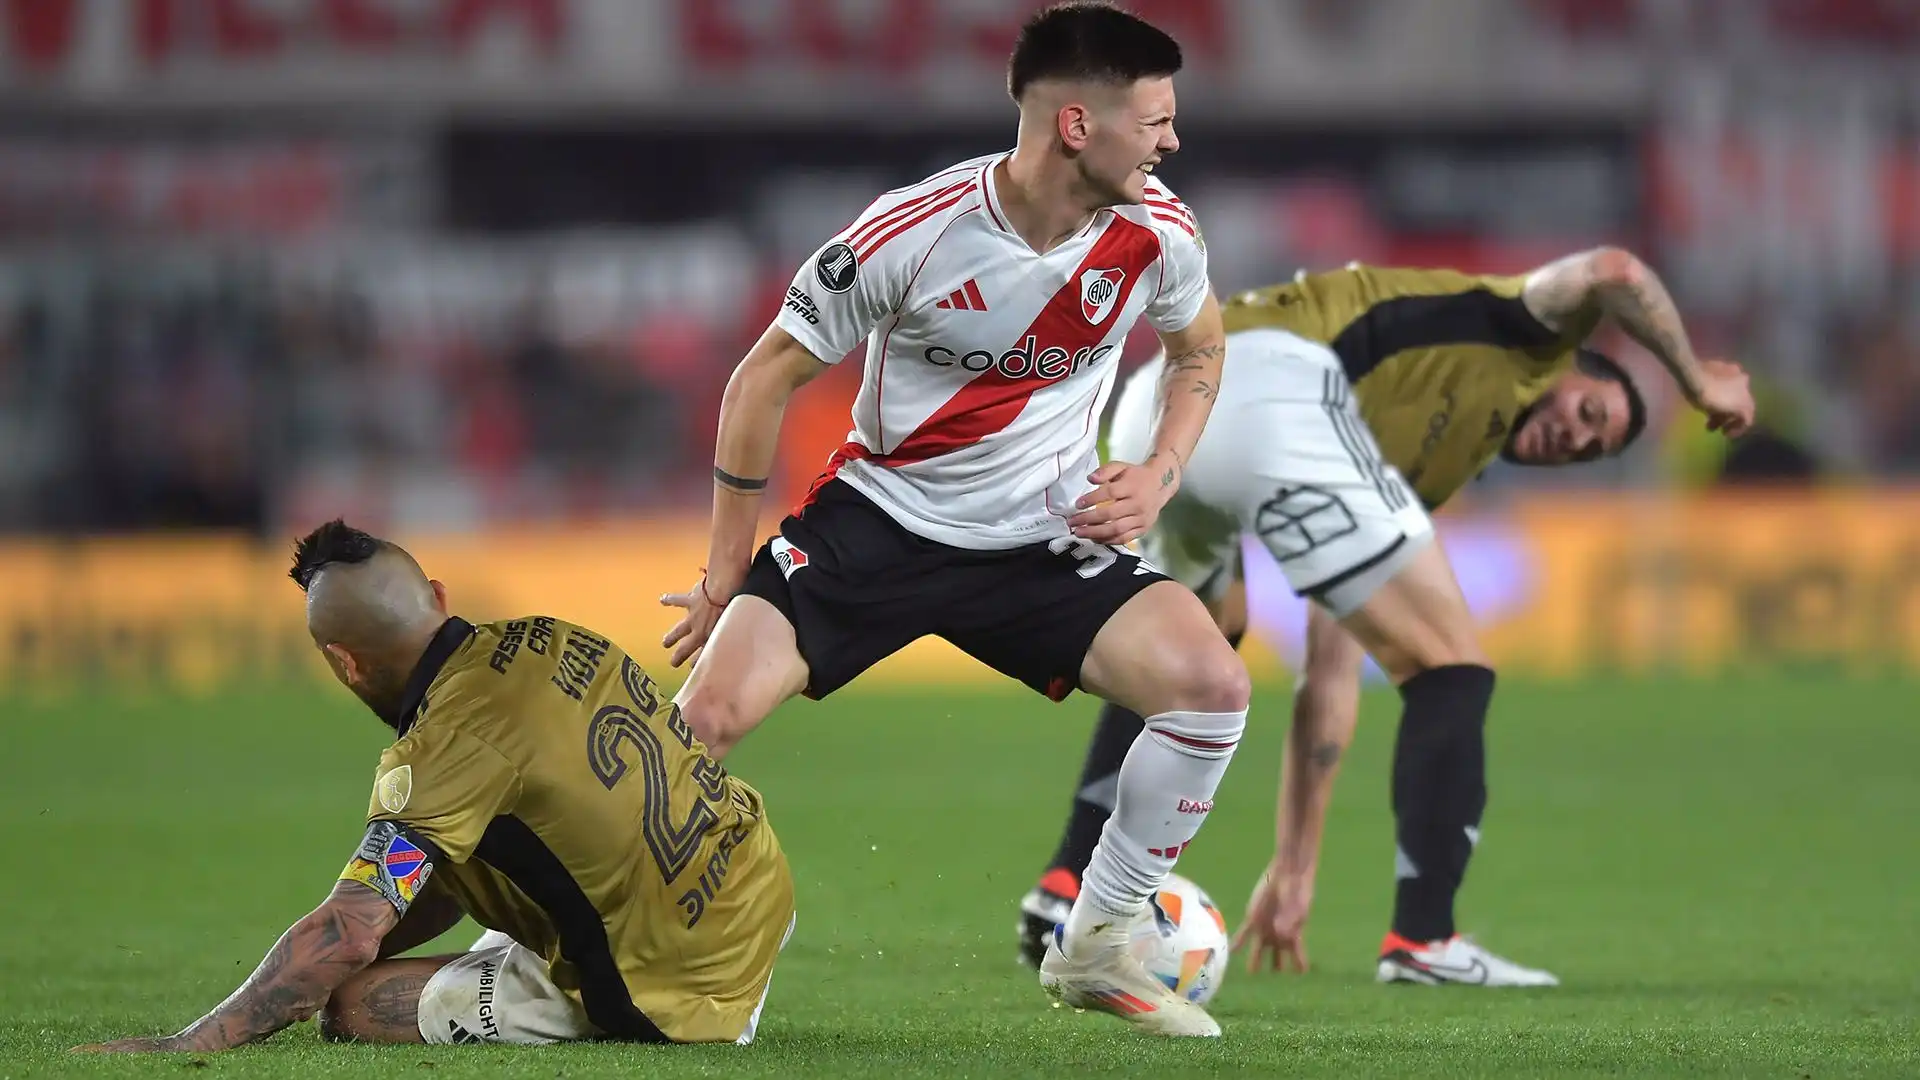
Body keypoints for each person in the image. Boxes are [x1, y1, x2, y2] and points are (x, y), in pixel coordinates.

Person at [659, 2, 1242, 1038]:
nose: (1171, 141)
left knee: (1210, 687)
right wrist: (723, 576)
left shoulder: (1159, 230)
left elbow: (1200, 350)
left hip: (1042, 535)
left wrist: (1159, 467)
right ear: (1076, 126)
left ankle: (1097, 940)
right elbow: (759, 384)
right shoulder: (912, 231)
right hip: (882, 519)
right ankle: (548, 927)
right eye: (1154, 121)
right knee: (704, 722)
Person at [1014, 250, 1756, 986]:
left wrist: (1295, 869)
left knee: (1190, 653)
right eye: (1589, 412)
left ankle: (1066, 891)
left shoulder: (1426, 461)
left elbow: (1330, 671)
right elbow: (1616, 273)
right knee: (1450, 666)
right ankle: (1425, 938)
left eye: (1593, 450)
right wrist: (1697, 382)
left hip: (1166, 403)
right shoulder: (1527, 330)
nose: (1578, 438)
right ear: (1570, 367)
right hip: (1261, 381)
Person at [75, 520, 794, 1053]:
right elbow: (452, 868)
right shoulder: (550, 634)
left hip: (685, 987)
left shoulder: (438, 754)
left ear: (344, 664)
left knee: (352, 1005)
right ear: (440, 598)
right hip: (753, 890)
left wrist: (186, 1044)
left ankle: (600, 1006)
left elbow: (350, 933)